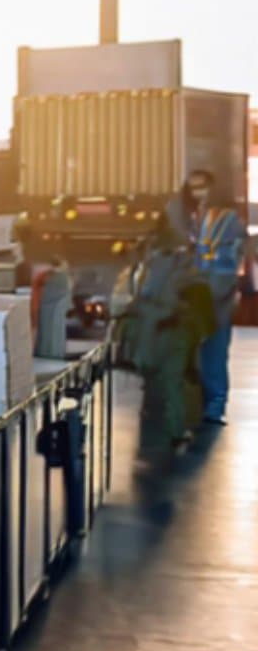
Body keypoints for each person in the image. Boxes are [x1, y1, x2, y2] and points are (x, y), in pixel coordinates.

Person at [122, 212, 210, 465]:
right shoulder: (181, 267)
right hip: (170, 330)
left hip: (160, 330)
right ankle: (172, 432)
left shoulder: (154, 268)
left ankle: (163, 433)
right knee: (169, 383)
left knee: (159, 383)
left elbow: (141, 297)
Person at [175, 169, 245, 424]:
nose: (197, 192)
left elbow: (228, 263)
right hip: (196, 297)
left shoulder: (228, 221)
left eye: (201, 187)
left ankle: (215, 405)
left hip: (215, 298)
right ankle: (201, 403)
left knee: (213, 353)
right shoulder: (194, 218)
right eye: (193, 188)